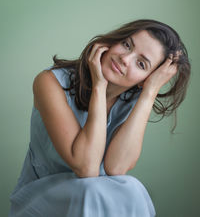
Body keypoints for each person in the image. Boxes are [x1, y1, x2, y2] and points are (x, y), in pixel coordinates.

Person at [9, 19, 191, 217]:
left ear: (144, 80)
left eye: (141, 63)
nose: (125, 58)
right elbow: (86, 168)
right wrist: (99, 86)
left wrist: (150, 92)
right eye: (127, 44)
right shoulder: (50, 82)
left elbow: (116, 167)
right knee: (92, 189)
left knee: (131, 186)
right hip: (39, 203)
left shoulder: (134, 100)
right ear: (112, 42)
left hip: (95, 203)